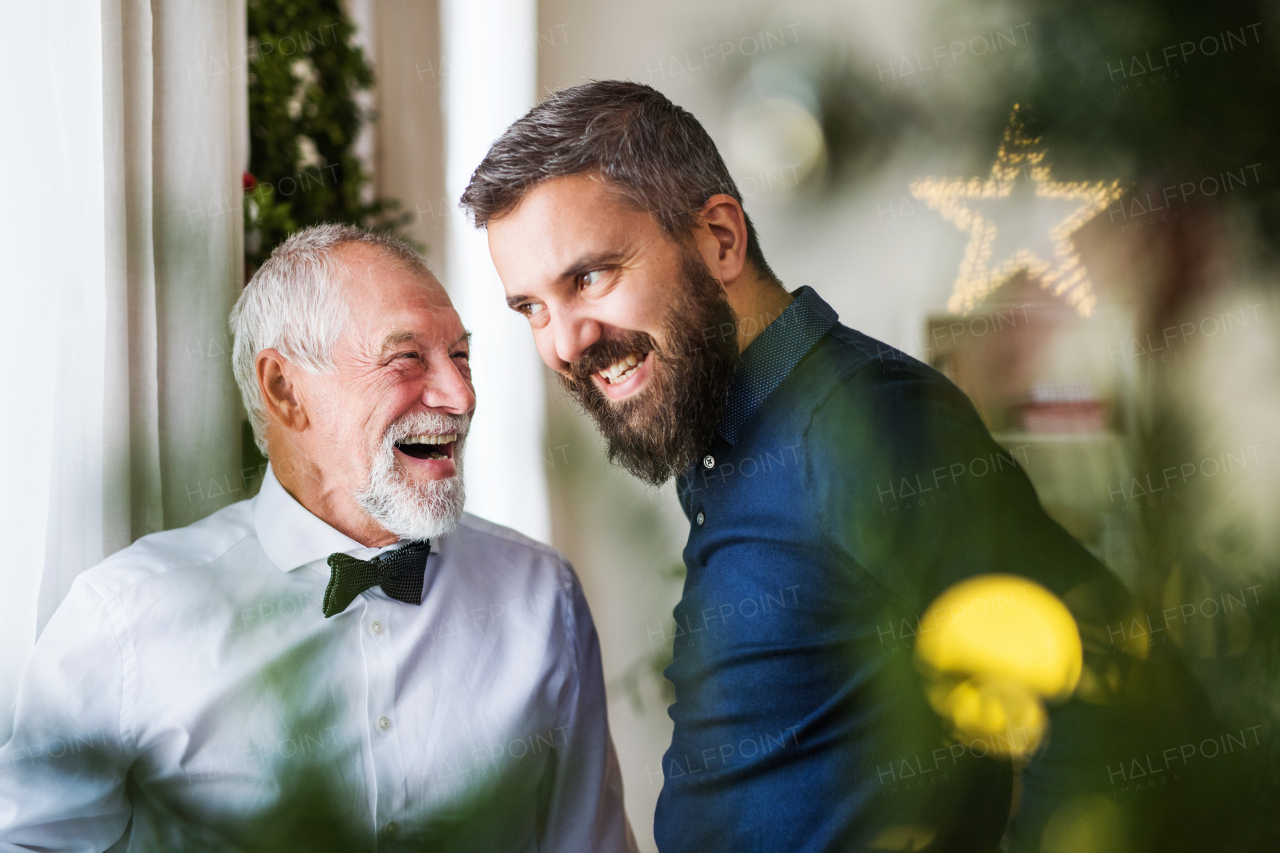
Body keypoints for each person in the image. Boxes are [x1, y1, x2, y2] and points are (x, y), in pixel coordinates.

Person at [461, 81, 1221, 852]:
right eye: (530, 308)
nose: (563, 341)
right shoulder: (726, 430)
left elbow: (1116, 703)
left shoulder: (866, 425)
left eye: (589, 277)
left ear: (720, 239)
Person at [0, 225, 636, 853]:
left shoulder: (540, 595)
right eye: (407, 357)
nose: (460, 395)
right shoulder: (124, 617)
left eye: (461, 357)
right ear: (285, 390)